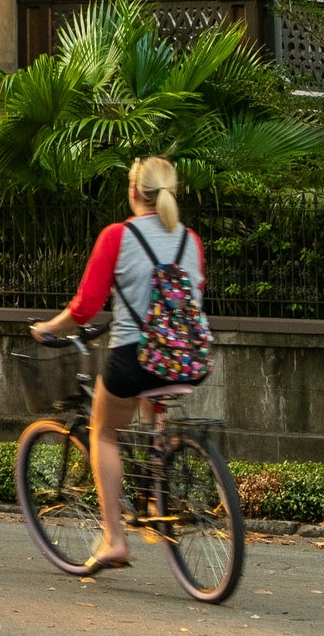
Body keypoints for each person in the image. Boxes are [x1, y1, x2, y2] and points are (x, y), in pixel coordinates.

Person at [30, 156, 209, 574]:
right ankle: (156, 480)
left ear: (133, 192)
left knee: (104, 431)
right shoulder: (190, 239)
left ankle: (113, 539)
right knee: (153, 394)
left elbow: (86, 308)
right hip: (188, 358)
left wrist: (47, 328)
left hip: (133, 357)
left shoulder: (118, 236)